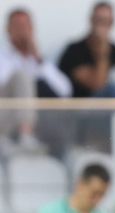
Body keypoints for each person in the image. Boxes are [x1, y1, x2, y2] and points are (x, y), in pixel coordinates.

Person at [0, 8, 71, 152]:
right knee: (22, 78)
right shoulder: (3, 56)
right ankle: (25, 134)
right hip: (4, 116)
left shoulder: (40, 61)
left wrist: (37, 60)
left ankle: (27, 134)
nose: (22, 31)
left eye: (25, 26)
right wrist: (21, 59)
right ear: (8, 30)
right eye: (17, 26)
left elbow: (65, 91)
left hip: (36, 124)